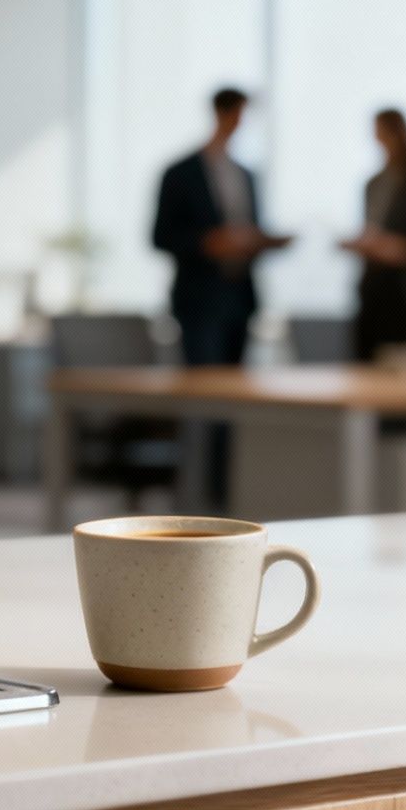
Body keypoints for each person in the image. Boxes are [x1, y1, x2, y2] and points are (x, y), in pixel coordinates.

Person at [152, 87, 290, 507]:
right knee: (202, 400)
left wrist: (260, 242)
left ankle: (225, 494)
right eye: (237, 114)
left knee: (233, 403)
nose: (240, 123)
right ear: (221, 113)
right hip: (198, 300)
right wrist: (207, 242)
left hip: (239, 298)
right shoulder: (180, 172)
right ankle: (192, 494)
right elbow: (160, 236)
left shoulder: (246, 174)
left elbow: (251, 229)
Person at [342, 108, 406, 363]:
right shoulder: (373, 184)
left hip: (403, 297)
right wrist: (366, 245)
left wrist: (397, 248)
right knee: (364, 366)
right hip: (371, 293)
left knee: (398, 367)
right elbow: (371, 231)